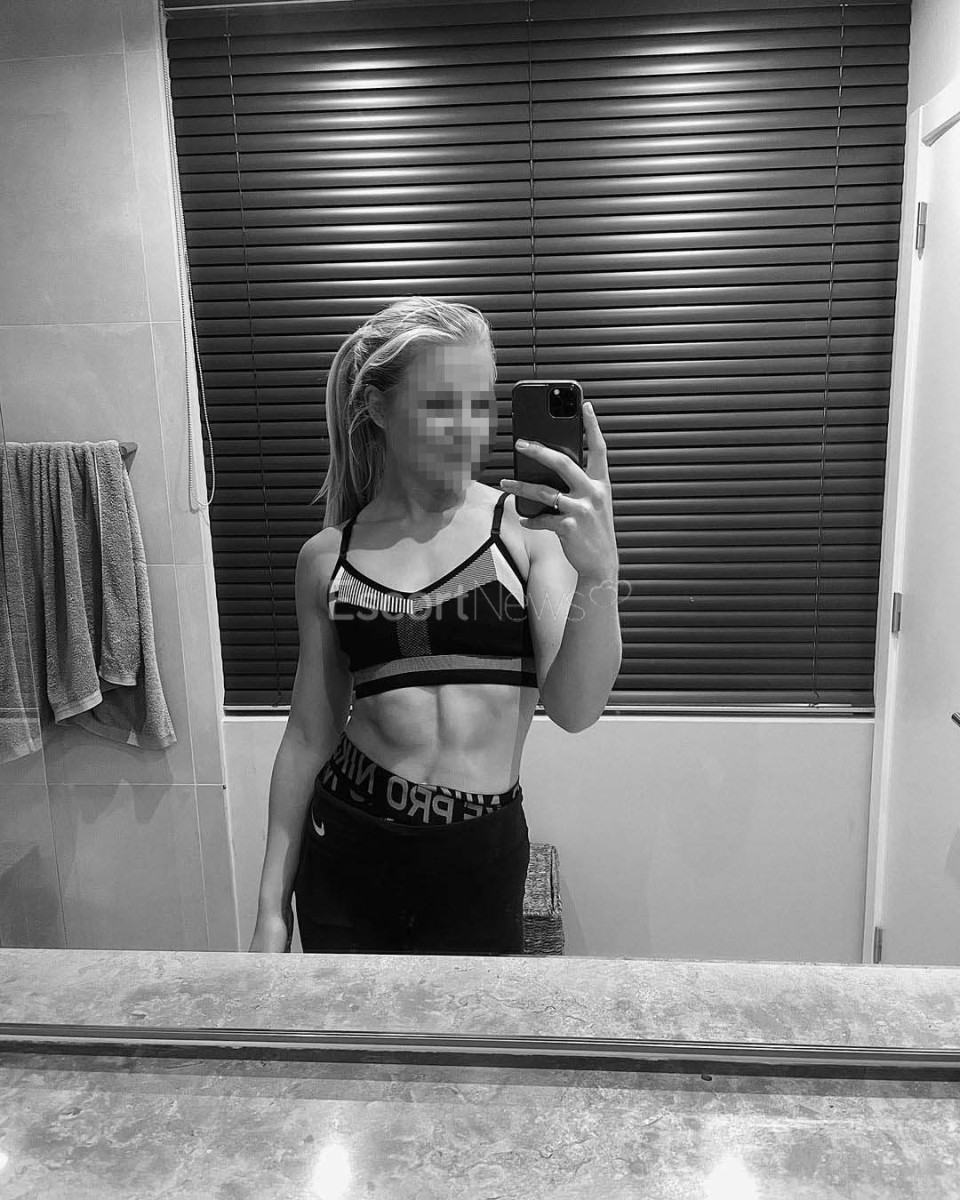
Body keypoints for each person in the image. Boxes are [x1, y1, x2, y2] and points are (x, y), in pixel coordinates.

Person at [248, 296, 621, 955]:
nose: (469, 429)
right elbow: (307, 737)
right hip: (347, 852)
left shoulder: (527, 535)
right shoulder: (328, 558)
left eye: (480, 403)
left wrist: (599, 571)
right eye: (440, 404)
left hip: (478, 858)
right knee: (348, 1026)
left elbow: (576, 708)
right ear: (377, 408)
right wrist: (270, 915)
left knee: (476, 1027)